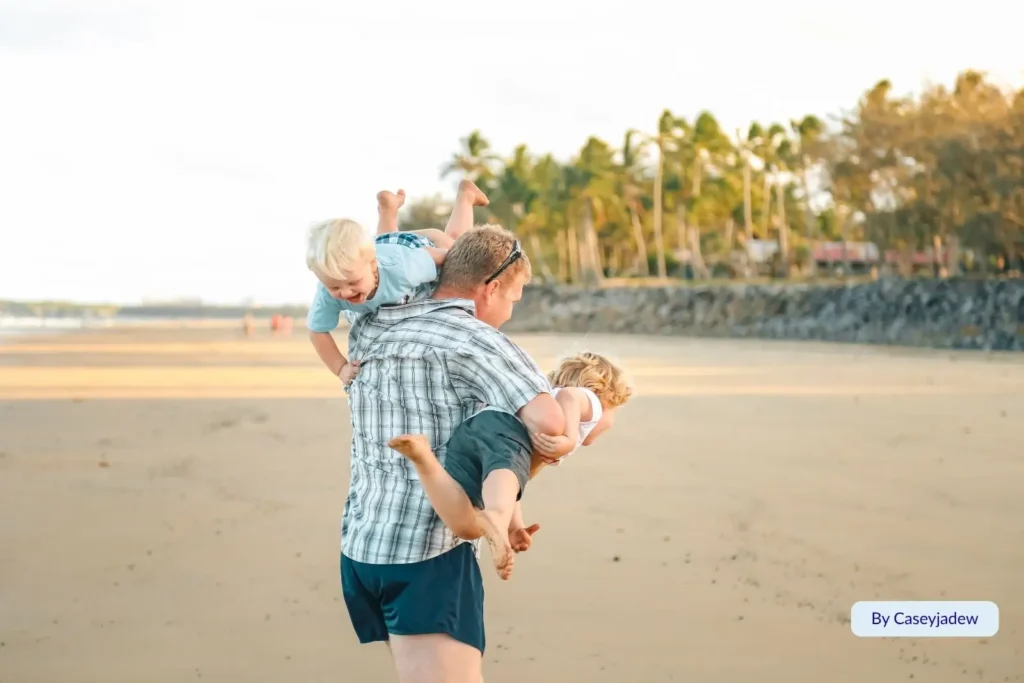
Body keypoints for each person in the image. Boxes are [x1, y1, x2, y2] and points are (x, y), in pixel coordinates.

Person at [340, 223, 564, 683]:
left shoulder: (370, 324)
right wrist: (576, 419)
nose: (508, 312)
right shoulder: (476, 339)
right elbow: (549, 421)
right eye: (513, 299)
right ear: (491, 286)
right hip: (428, 555)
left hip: (363, 547)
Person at [389, 351, 633, 579]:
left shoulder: (542, 409)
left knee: (467, 523)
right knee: (502, 477)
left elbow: (512, 482)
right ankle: (495, 516)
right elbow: (571, 395)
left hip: (476, 431)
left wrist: (515, 526)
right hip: (505, 429)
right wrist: (568, 440)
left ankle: (424, 460)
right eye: (616, 410)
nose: (612, 420)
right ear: (605, 393)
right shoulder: (587, 401)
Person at [305, 180, 489, 384]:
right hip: (383, 247)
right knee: (383, 240)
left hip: (410, 249)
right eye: (335, 287)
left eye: (353, 283)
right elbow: (317, 331)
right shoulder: (329, 288)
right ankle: (388, 208)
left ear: (373, 265)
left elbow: (446, 258)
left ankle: (465, 195)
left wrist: (444, 244)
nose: (346, 293)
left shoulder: (405, 268)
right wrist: (340, 367)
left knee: (455, 243)